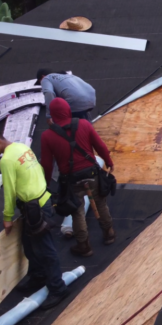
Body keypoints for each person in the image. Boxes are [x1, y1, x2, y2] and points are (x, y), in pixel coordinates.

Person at [0, 128, 69, 309]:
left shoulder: (7, 160)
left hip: (36, 208)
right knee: (28, 243)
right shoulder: (22, 147)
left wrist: (8, 217)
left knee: (45, 249)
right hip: (41, 201)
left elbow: (9, 191)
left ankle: (58, 288)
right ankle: (38, 275)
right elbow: (40, 169)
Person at [40, 98, 115, 257]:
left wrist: (45, 183)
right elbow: (100, 146)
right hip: (92, 174)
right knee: (101, 202)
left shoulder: (47, 136)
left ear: (52, 115)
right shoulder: (84, 124)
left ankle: (84, 245)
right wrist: (108, 162)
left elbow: (47, 164)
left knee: (77, 212)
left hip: (71, 180)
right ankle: (109, 234)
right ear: (68, 110)